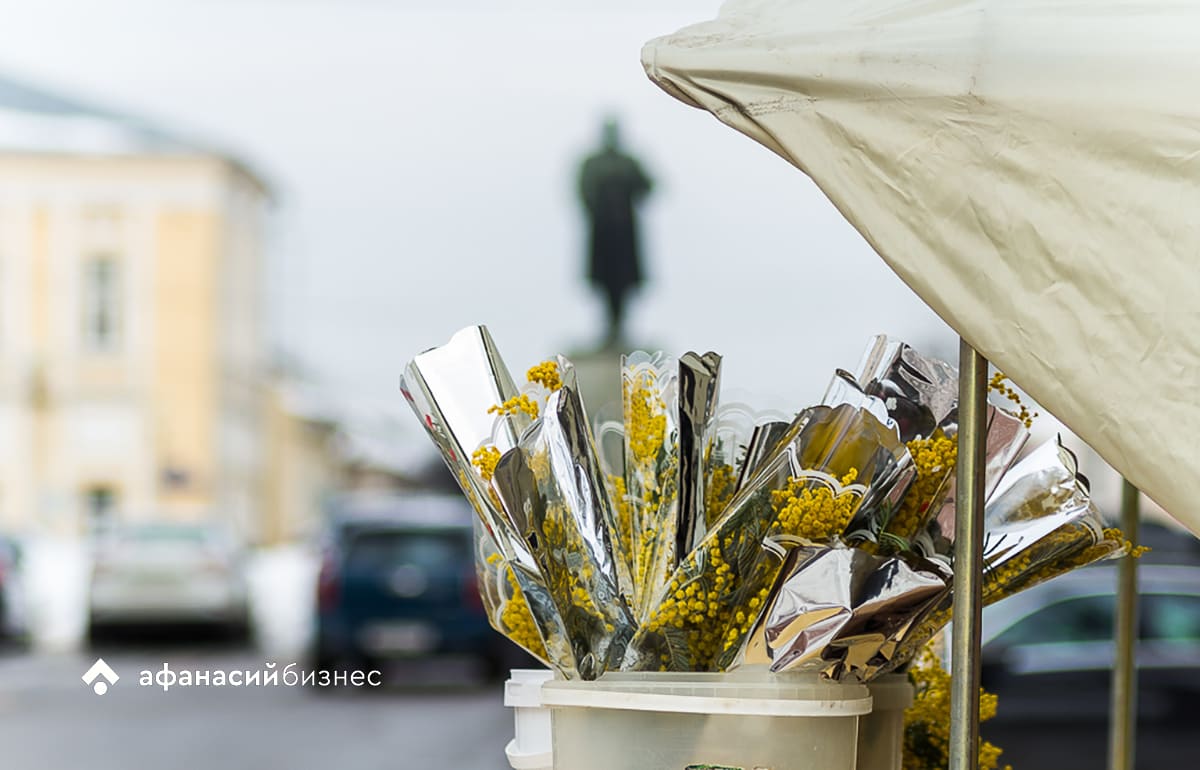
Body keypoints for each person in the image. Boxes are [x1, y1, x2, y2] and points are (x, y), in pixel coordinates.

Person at [578, 118, 653, 347]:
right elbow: (583, 190)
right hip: (603, 232)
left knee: (623, 280)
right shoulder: (593, 163)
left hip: (624, 232)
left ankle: (619, 325)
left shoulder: (628, 162)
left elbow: (648, 186)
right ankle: (609, 325)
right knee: (604, 280)